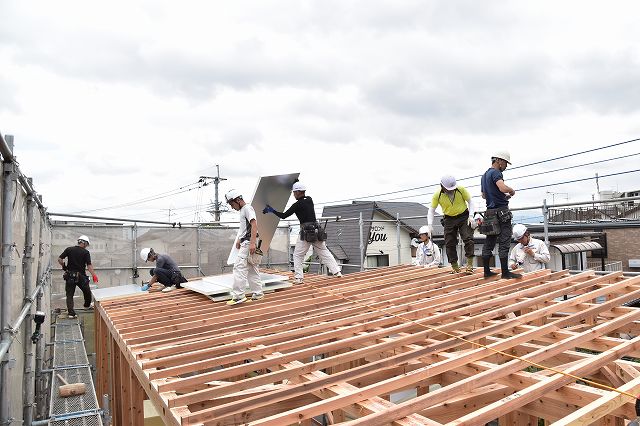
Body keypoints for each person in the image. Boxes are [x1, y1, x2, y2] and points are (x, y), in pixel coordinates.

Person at [263, 182, 342, 284]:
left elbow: (283, 216)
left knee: (297, 255)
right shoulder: (309, 199)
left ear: (299, 192)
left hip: (306, 232)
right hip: (317, 230)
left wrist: (272, 210)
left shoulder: (296, 205)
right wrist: (296, 181)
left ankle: (299, 278)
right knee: (324, 251)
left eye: (294, 192)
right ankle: (337, 272)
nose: (293, 194)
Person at [480, 151, 521, 279]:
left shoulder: (484, 175)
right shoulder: (496, 173)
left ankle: (486, 271)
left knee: (490, 240)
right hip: (502, 212)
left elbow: (484, 195)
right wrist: (511, 191)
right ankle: (505, 273)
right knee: (504, 240)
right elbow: (502, 188)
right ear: (499, 160)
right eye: (505, 163)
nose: (506, 166)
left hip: (490, 212)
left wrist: (500, 197)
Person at [427, 175, 477, 274]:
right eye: (448, 189)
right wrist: (429, 224)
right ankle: (455, 267)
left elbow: (470, 202)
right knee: (449, 242)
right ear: (442, 186)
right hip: (449, 219)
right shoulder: (437, 195)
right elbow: (431, 211)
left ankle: (470, 265)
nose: (451, 191)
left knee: (468, 238)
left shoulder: (460, 189)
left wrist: (471, 216)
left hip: (463, 216)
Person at [225, 189, 263, 305]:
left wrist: (251, 243)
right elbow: (244, 228)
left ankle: (238, 296)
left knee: (239, 267)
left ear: (238, 200)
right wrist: (238, 239)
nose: (232, 207)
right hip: (246, 241)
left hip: (248, 243)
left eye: (232, 204)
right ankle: (258, 293)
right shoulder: (243, 210)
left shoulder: (247, 208)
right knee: (252, 268)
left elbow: (254, 224)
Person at [58, 235, 99, 319]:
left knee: (69, 295)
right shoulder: (85, 253)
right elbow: (89, 265)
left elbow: (60, 259)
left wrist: (64, 266)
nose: (87, 246)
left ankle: (71, 313)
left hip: (70, 275)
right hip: (80, 276)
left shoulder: (69, 249)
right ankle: (87, 305)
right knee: (87, 291)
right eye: (87, 244)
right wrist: (94, 275)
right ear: (84, 243)